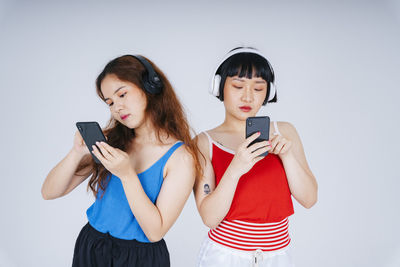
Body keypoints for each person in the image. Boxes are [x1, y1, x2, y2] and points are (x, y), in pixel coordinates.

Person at [41, 54, 201, 267]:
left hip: (139, 258)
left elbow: (155, 232)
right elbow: (49, 192)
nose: (117, 107)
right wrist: (76, 152)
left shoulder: (181, 157)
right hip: (92, 245)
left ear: (149, 87)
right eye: (110, 102)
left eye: (122, 95)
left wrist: (127, 175)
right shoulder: (112, 140)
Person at [194, 47, 318, 267]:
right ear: (219, 86)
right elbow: (209, 218)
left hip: (278, 255)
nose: (248, 96)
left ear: (268, 93)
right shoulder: (205, 143)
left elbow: (309, 199)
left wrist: (287, 156)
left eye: (259, 88)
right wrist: (235, 169)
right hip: (224, 256)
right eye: (238, 86)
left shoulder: (284, 132)